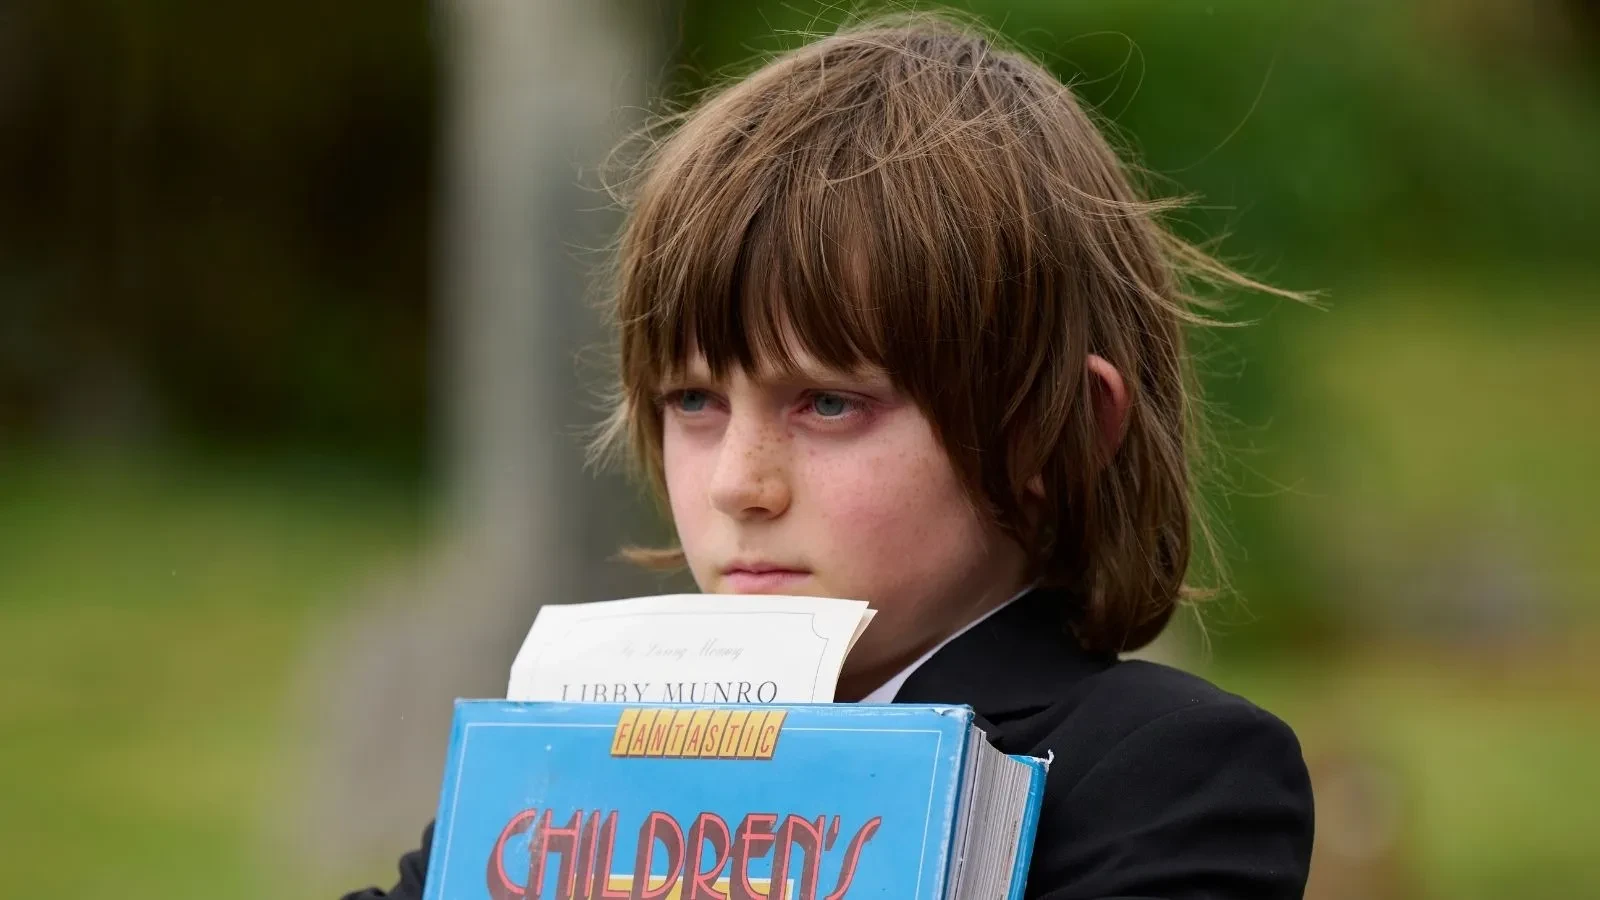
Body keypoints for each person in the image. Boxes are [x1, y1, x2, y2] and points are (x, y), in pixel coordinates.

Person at [345, 14, 1314, 900]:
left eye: (829, 404)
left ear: (1051, 433)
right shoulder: (572, 766)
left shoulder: (1163, 774)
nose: (737, 484)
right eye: (693, 401)